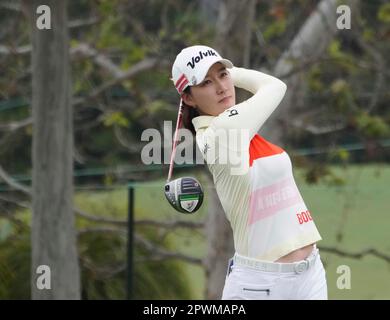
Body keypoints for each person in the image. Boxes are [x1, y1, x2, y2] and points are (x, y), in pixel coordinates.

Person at [171, 45, 328, 300]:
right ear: (188, 98)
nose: (222, 87)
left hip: (310, 274)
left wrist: (224, 70)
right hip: (260, 285)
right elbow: (275, 87)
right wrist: (233, 72)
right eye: (206, 82)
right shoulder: (222, 131)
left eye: (223, 75)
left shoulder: (244, 132)